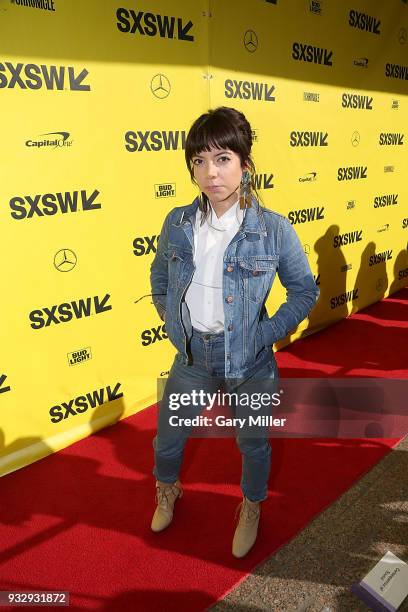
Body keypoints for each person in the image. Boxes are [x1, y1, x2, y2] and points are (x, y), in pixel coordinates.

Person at [149, 106, 319, 558]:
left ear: (245, 164)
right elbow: (159, 277)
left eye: (222, 158)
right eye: (199, 162)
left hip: (250, 360)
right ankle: (168, 490)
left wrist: (265, 334)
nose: (210, 173)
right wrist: (171, 323)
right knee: (168, 435)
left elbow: (304, 291)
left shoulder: (273, 229)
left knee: (254, 442)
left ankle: (252, 504)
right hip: (192, 357)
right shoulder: (177, 223)